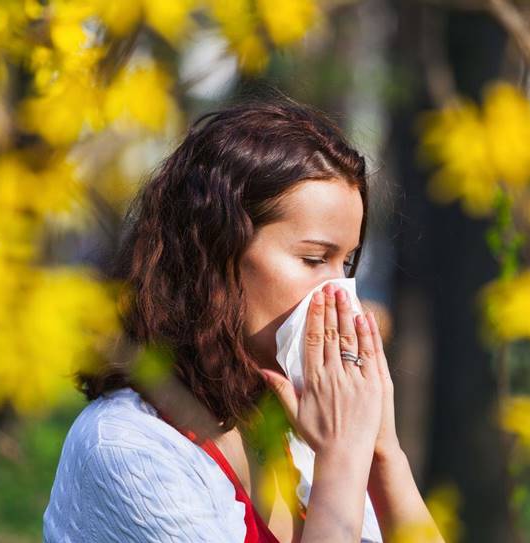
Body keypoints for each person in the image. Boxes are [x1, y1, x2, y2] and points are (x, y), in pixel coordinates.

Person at [43, 90, 444, 543]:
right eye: (314, 260)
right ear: (216, 254)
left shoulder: (297, 429)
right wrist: (342, 459)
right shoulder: (128, 448)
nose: (341, 298)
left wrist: (381, 452)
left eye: (346, 264)